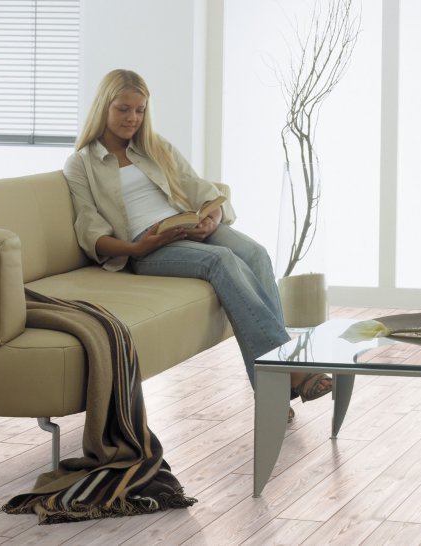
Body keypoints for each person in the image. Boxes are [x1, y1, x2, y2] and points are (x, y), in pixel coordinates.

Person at [63, 69, 330, 420]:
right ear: (103, 107)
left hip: (185, 225)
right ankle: (288, 370)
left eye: (140, 110)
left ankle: (274, 393)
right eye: (123, 109)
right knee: (220, 260)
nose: (133, 118)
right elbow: (90, 230)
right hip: (146, 246)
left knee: (256, 253)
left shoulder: (155, 147)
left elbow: (203, 190)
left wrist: (211, 220)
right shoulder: (81, 163)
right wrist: (139, 249)